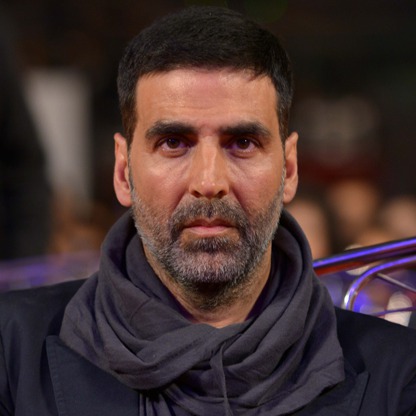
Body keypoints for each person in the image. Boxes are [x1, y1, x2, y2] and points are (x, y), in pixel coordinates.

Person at [1, 6, 416, 416]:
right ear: (123, 172)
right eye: (174, 143)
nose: (209, 180)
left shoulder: (398, 375)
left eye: (242, 143)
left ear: (289, 170)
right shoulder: (12, 351)